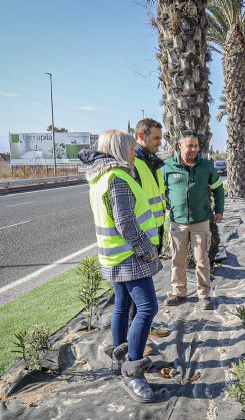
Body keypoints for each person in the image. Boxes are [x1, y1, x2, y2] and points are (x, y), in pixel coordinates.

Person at [79, 130, 160, 403]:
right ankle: (133, 372)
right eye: (131, 149)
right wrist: (148, 250)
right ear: (120, 150)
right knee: (148, 307)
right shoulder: (118, 179)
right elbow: (126, 224)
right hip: (129, 257)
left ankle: (119, 356)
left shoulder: (100, 177)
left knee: (122, 306)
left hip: (112, 256)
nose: (135, 153)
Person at [162, 131, 225, 310]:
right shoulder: (168, 167)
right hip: (177, 222)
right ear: (179, 146)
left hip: (201, 221)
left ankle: (204, 295)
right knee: (177, 259)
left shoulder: (206, 166)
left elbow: (218, 189)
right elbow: (161, 191)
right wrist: (169, 206)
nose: (194, 149)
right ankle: (178, 292)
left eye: (196, 146)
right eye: (190, 145)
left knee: (202, 260)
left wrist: (219, 210)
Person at [134, 118, 167, 253]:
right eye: (156, 138)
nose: (160, 143)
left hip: (156, 230)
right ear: (141, 136)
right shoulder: (132, 164)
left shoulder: (154, 162)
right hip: (142, 235)